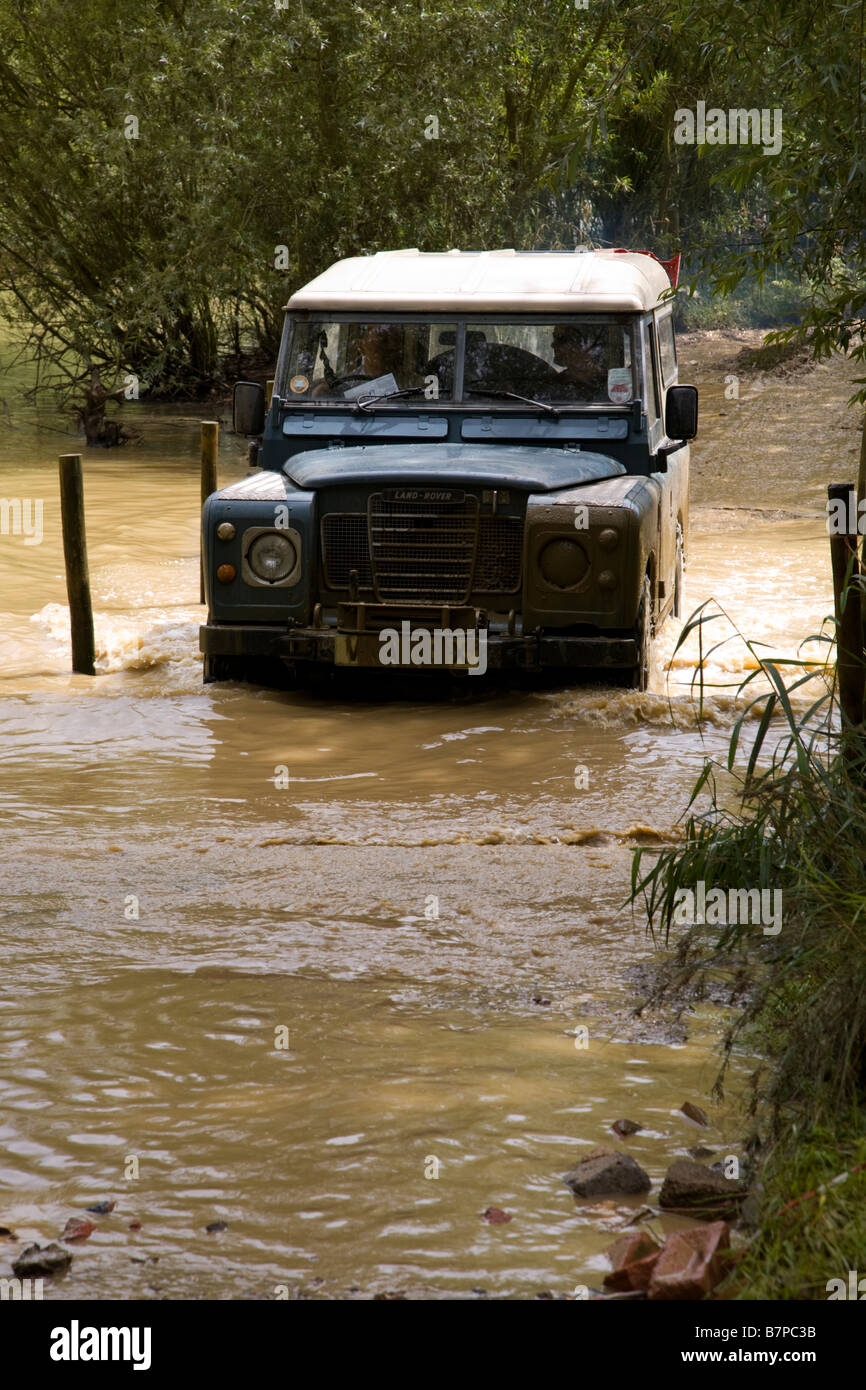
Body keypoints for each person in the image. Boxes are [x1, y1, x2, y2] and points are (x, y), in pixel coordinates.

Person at [551, 324, 608, 399]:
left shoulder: (609, 382)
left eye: (561, 339)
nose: (553, 345)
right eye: (554, 338)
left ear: (582, 346)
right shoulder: (557, 382)